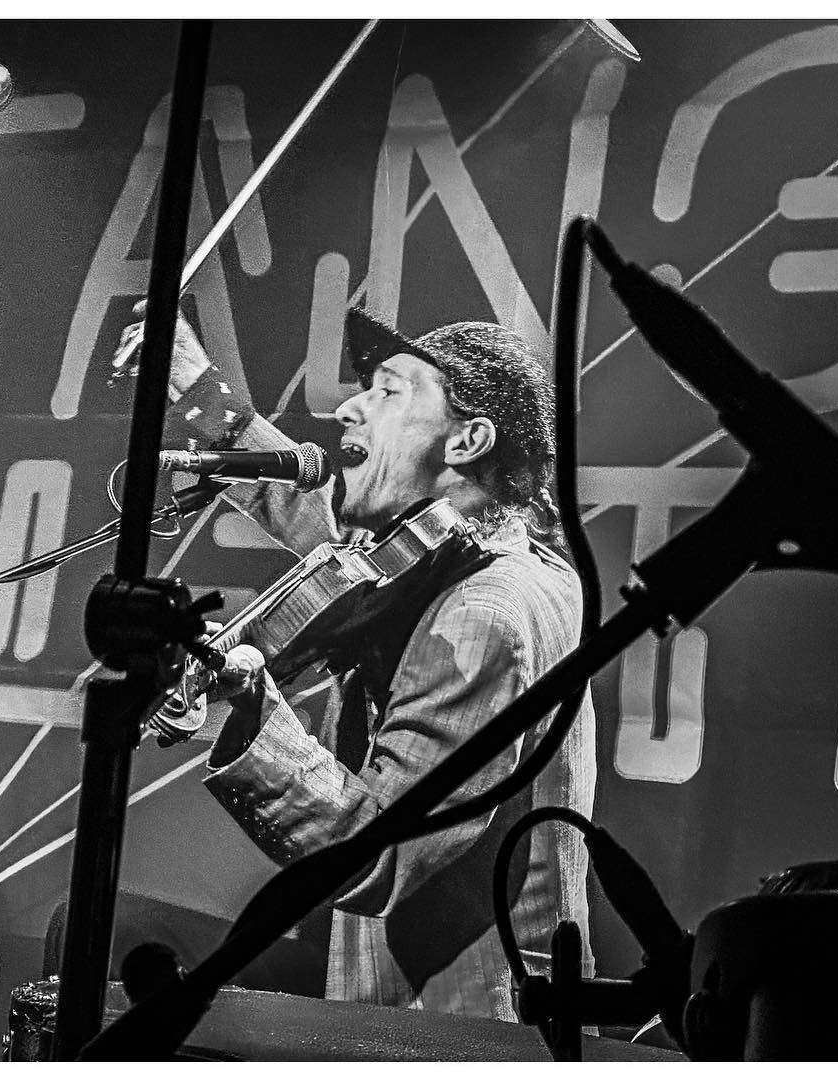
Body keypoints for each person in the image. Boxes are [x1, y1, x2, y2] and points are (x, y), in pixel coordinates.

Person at [118, 303, 597, 1021]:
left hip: (453, 1027)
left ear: (468, 440)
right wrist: (195, 385)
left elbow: (376, 855)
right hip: (394, 990)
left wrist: (258, 709)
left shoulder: (483, 614)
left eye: (389, 392)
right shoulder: (459, 551)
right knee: (122, 939)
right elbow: (318, 515)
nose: (349, 408)